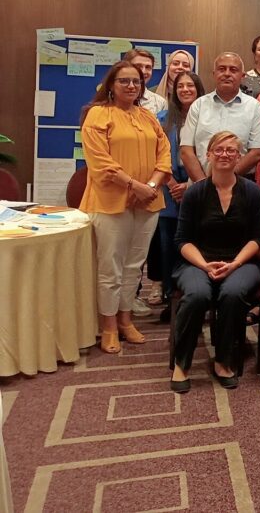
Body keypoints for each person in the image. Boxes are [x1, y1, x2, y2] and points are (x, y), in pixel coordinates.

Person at [79, 61, 171, 354]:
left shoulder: (147, 116)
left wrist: (152, 187)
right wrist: (135, 185)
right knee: (111, 268)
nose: (131, 86)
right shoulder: (97, 114)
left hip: (148, 202)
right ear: (111, 85)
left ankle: (125, 319)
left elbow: (164, 153)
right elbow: (100, 162)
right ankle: (107, 325)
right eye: (124, 81)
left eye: (136, 82)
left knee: (134, 266)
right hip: (110, 203)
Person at [171, 132, 260, 392]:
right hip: (197, 262)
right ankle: (182, 362)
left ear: (239, 157)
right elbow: (182, 240)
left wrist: (234, 264)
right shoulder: (195, 193)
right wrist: (204, 265)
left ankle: (224, 360)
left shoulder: (252, 192)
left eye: (231, 150)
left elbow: (257, 238)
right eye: (219, 150)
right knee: (198, 294)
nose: (225, 154)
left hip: (242, 262)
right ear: (209, 155)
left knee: (233, 293)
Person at [151, 71, 205, 309]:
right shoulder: (162, 118)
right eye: (180, 85)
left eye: (190, 85)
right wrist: (172, 184)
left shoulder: (207, 116)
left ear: (198, 89)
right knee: (168, 244)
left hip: (199, 185)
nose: (185, 89)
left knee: (196, 241)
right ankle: (170, 296)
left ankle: (193, 295)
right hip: (169, 189)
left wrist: (190, 185)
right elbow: (155, 155)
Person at [180, 52, 260, 181]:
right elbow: (186, 151)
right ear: (214, 74)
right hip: (199, 186)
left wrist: (225, 181)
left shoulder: (254, 107)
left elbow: (257, 153)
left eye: (233, 70)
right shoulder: (198, 105)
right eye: (222, 69)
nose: (227, 73)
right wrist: (205, 187)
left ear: (242, 76)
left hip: (239, 185)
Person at [124, 48, 167, 116]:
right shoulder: (112, 98)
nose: (143, 71)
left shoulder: (159, 103)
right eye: (138, 66)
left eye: (148, 67)